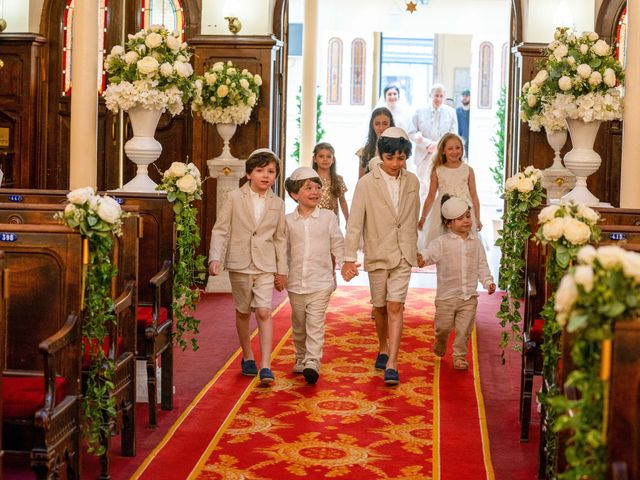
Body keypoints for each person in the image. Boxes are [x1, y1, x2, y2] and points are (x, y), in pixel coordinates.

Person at [341, 127, 420, 386]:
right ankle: (382, 346)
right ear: (380, 154)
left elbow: (410, 219)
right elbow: (354, 223)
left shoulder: (413, 182)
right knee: (380, 307)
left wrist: (414, 247)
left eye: (401, 158)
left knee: (396, 305)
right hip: (377, 250)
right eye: (390, 158)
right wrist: (349, 258)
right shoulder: (365, 184)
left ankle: (392, 363)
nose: (396, 164)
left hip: (403, 253)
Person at [208, 148, 288, 386]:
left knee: (263, 311)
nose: (266, 176)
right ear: (248, 174)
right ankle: (248, 355)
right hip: (240, 263)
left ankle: (266, 365)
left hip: (265, 264)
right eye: (260, 171)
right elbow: (221, 229)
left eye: (271, 172)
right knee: (243, 311)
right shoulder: (233, 197)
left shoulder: (278, 203)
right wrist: (215, 258)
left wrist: (281, 270)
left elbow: (280, 238)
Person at [417, 195, 495, 370]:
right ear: (448, 223)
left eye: (468, 216)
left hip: (469, 297)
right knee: (442, 328)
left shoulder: (476, 243)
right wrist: (421, 258)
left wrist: (487, 281)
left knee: (464, 330)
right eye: (460, 218)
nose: (466, 221)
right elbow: (429, 254)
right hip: (446, 297)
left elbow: (482, 264)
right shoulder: (441, 243)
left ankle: (459, 357)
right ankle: (440, 341)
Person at [284, 166, 345, 385]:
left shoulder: (328, 217)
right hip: (296, 282)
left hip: (321, 282)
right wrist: (280, 273)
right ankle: (301, 356)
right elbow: (284, 250)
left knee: (315, 324)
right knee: (299, 324)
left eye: (318, 187)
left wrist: (346, 263)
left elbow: (337, 242)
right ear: (294, 194)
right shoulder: (288, 221)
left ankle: (312, 362)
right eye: (308, 188)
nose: (315, 192)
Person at [418, 132, 482, 249]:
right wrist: (423, 218)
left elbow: (474, 196)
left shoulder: (468, 170)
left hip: (464, 211)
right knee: (444, 247)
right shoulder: (437, 170)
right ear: (443, 151)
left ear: (462, 149)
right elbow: (431, 196)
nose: (455, 151)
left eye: (458, 148)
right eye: (450, 148)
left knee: (464, 245)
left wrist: (477, 218)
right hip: (443, 212)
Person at [408, 83, 458, 204]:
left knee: (442, 187)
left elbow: (453, 135)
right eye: (436, 95)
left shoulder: (451, 112)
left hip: (443, 155)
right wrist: (424, 142)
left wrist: (437, 145)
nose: (438, 99)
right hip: (423, 156)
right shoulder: (419, 111)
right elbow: (411, 132)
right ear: (430, 95)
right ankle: (424, 219)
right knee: (424, 188)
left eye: (441, 96)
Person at [312, 142, 349, 224]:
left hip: (332, 221)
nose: (325, 159)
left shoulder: (338, 179)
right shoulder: (310, 179)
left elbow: (342, 201)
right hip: (313, 220)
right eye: (321, 156)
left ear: (333, 160)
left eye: (328, 157)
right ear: (314, 159)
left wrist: (348, 219)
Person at [356, 107, 395, 178]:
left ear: (390, 125)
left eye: (385, 124)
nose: (381, 128)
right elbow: (361, 181)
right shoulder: (365, 152)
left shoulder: (399, 149)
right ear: (372, 125)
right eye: (377, 124)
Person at [456, 89, 471, 156]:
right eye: (463, 96)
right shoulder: (457, 112)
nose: (464, 98)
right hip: (460, 141)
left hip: (471, 142)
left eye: (467, 96)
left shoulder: (473, 113)